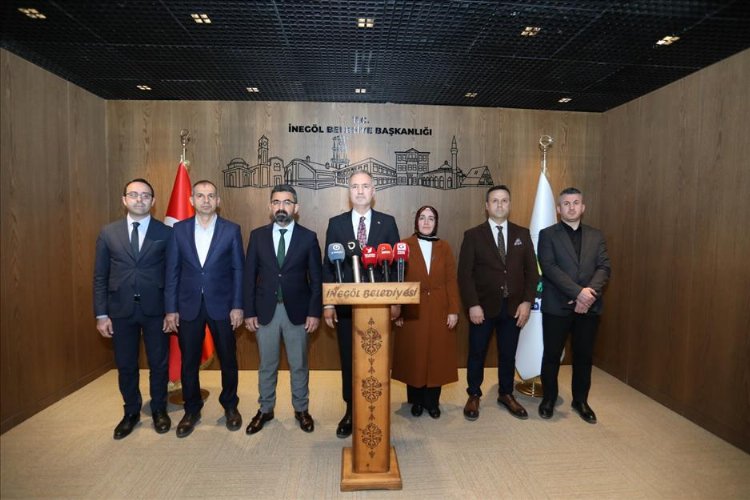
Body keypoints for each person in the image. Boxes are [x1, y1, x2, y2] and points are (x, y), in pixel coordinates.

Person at [322, 170, 400, 438]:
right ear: (349, 192)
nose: (360, 191)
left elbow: (397, 265)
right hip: (346, 308)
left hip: (380, 307)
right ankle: (350, 410)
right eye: (355, 186)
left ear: (373, 191)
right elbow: (328, 267)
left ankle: (377, 408)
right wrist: (328, 304)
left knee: (377, 359)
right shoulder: (336, 224)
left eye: (365, 186)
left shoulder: (387, 223)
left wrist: (396, 302)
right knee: (349, 359)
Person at [164, 180, 244, 438]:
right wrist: (171, 309)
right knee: (189, 361)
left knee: (228, 359)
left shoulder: (231, 230)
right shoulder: (179, 230)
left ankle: (230, 406)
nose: (206, 200)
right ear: (191, 200)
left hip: (223, 306)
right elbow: (172, 271)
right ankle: (192, 410)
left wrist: (238, 305)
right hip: (188, 306)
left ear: (218, 201)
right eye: (200, 195)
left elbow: (238, 270)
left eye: (211, 196)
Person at [94, 178, 172, 439]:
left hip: (156, 309)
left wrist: (171, 310)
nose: (140, 199)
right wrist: (101, 314)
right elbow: (100, 276)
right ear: (124, 200)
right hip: (120, 310)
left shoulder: (166, 233)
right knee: (126, 364)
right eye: (134, 195)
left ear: (153, 201)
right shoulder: (108, 233)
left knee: (158, 363)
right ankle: (131, 412)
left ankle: (159, 409)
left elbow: (172, 275)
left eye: (145, 195)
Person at [243, 185, 322, 434]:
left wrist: (314, 312)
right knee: (267, 365)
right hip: (265, 311)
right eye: (276, 202)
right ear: (270, 207)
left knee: (299, 365)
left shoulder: (308, 237)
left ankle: (301, 409)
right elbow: (248, 277)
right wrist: (249, 311)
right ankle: (265, 409)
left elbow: (316, 280)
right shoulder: (257, 236)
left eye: (287, 202)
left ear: (296, 208)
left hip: (298, 312)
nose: (281, 207)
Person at [457, 185, 538, 421]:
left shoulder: (522, 234)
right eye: (495, 200)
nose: (500, 204)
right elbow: (465, 275)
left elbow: (532, 273)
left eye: (504, 200)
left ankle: (506, 393)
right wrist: (472, 304)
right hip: (482, 308)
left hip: (514, 308)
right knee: (477, 353)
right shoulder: (473, 235)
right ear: (487, 206)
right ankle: (474, 394)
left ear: (509, 205)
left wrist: (527, 302)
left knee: (508, 354)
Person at [537, 187, 611, 424]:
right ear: (559, 209)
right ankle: (548, 399)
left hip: (589, 307)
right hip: (557, 306)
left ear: (583, 207)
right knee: (551, 355)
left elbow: (604, 267)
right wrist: (578, 292)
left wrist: (588, 295)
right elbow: (549, 268)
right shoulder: (547, 234)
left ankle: (581, 401)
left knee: (583, 356)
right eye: (566, 204)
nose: (571, 207)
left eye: (576, 203)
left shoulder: (596, 236)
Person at [392, 206, 460, 419]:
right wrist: (398, 310)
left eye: (431, 218)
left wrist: (453, 310)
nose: (427, 222)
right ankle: (416, 401)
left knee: (436, 356)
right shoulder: (403, 245)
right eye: (422, 218)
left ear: (436, 222)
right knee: (415, 355)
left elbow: (451, 280)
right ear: (416, 222)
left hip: (440, 307)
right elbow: (397, 279)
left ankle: (432, 402)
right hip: (413, 307)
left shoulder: (444, 247)